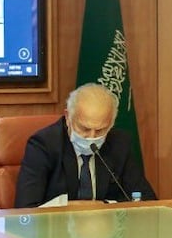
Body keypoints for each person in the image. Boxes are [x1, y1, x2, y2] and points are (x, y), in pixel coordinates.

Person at [15, 83, 157, 207]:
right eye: (84, 129)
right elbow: (26, 209)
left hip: (106, 232)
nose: (92, 137)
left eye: (100, 130)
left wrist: (103, 207)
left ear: (111, 124)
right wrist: (86, 208)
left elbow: (146, 201)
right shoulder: (43, 145)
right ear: (68, 117)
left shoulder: (119, 144)